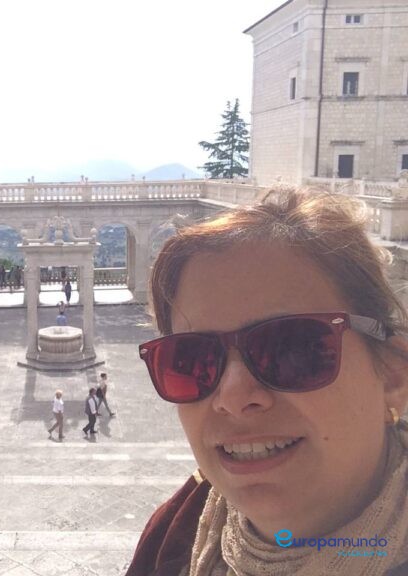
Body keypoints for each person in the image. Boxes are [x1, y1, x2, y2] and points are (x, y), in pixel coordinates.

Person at [126, 189, 408, 576]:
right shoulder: (170, 538)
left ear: (393, 374)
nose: (233, 396)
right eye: (191, 359)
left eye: (291, 349)